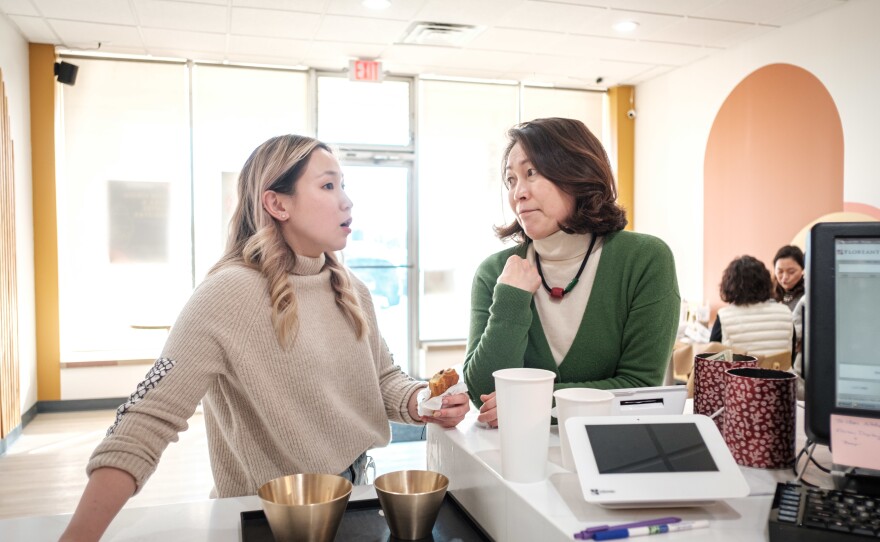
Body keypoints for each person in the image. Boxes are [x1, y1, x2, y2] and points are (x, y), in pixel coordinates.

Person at [60, 135, 470, 541]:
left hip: (357, 498)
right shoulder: (229, 293)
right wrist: (78, 536)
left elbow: (383, 379)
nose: (346, 200)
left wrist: (422, 401)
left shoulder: (352, 289)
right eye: (328, 186)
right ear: (277, 203)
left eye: (343, 185)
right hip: (269, 519)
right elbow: (148, 417)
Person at [462, 117, 680, 428]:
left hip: (612, 455)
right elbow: (484, 395)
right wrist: (510, 300)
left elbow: (640, 388)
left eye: (531, 173)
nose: (517, 193)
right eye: (511, 180)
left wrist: (536, 402)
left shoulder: (645, 259)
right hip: (516, 460)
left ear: (576, 173)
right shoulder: (495, 271)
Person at [709, 255, 793, 356]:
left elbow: (711, 357)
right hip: (779, 370)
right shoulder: (786, 312)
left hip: (738, 372)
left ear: (730, 285)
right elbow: (791, 356)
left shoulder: (724, 316)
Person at [773, 245, 805, 311]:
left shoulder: (806, 296)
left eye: (791, 272)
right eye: (780, 272)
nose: (785, 277)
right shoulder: (769, 293)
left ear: (803, 269)